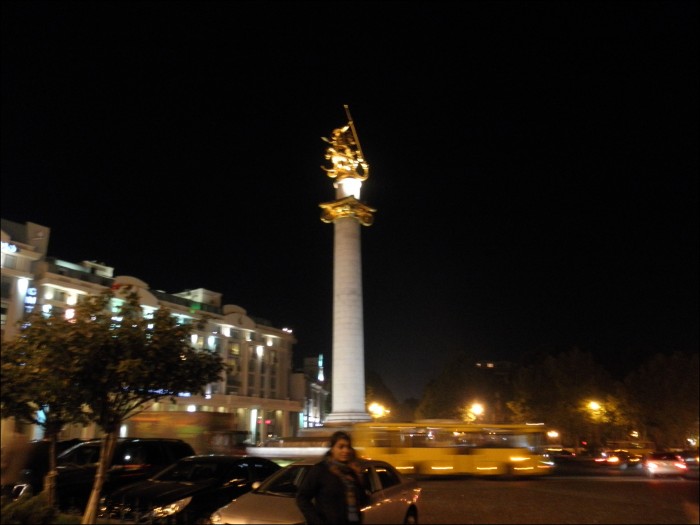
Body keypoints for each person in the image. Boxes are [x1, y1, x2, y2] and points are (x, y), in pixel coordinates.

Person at [296, 430, 370, 524]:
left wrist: (359, 477)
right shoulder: (320, 470)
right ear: (332, 449)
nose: (345, 450)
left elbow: (362, 500)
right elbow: (302, 498)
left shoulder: (351, 471)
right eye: (341, 447)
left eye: (348, 447)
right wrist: (316, 521)